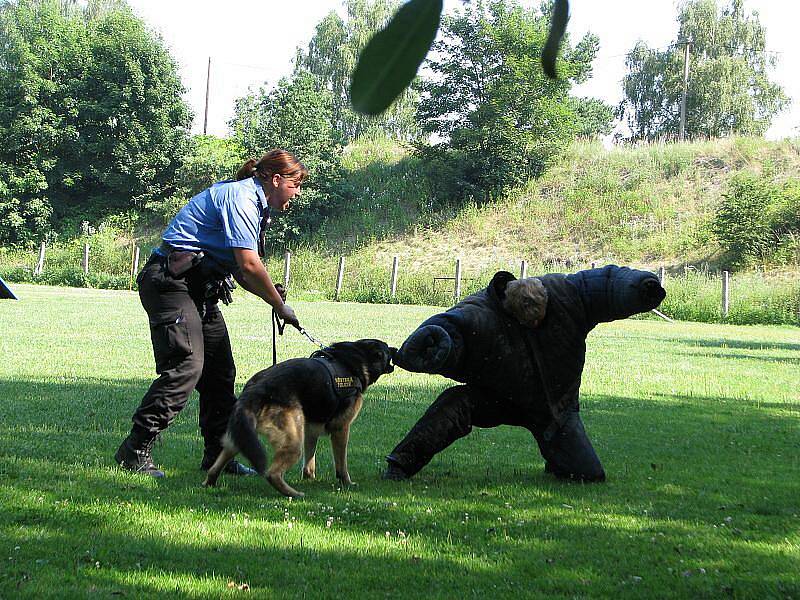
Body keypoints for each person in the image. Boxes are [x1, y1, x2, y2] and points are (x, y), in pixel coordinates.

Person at [115, 149, 306, 478]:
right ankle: (134, 451)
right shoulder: (242, 198)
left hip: (200, 289)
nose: (298, 192)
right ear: (276, 180)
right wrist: (278, 304)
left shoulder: (256, 206)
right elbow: (248, 265)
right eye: (295, 184)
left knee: (219, 374)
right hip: (170, 283)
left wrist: (274, 301)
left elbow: (243, 273)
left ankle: (218, 457)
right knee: (187, 366)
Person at [384, 265, 667, 482]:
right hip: (497, 397)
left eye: (540, 318)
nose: (535, 324)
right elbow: (443, 332)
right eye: (528, 321)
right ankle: (400, 464)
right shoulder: (477, 314)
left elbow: (605, 284)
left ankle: (558, 460)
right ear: (510, 310)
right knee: (456, 405)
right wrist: (434, 347)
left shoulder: (566, 294)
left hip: (554, 408)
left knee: (587, 476)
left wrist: (641, 288)